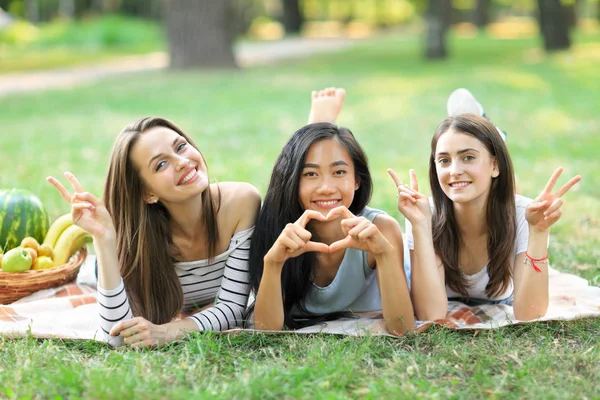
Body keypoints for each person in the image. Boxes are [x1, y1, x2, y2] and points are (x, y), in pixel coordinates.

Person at [389, 113, 581, 321]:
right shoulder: (423, 213)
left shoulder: (526, 215)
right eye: (444, 160)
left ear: (495, 165)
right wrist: (420, 226)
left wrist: (539, 233)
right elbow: (430, 315)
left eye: (468, 157)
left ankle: (483, 123)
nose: (454, 171)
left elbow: (530, 313)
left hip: (502, 284)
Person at [248, 120, 414, 336]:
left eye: (339, 172)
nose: (326, 188)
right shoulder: (278, 229)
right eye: (310, 174)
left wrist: (384, 254)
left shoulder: (381, 229)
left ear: (357, 180)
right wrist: (273, 263)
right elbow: (266, 331)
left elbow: (402, 329)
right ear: (292, 181)